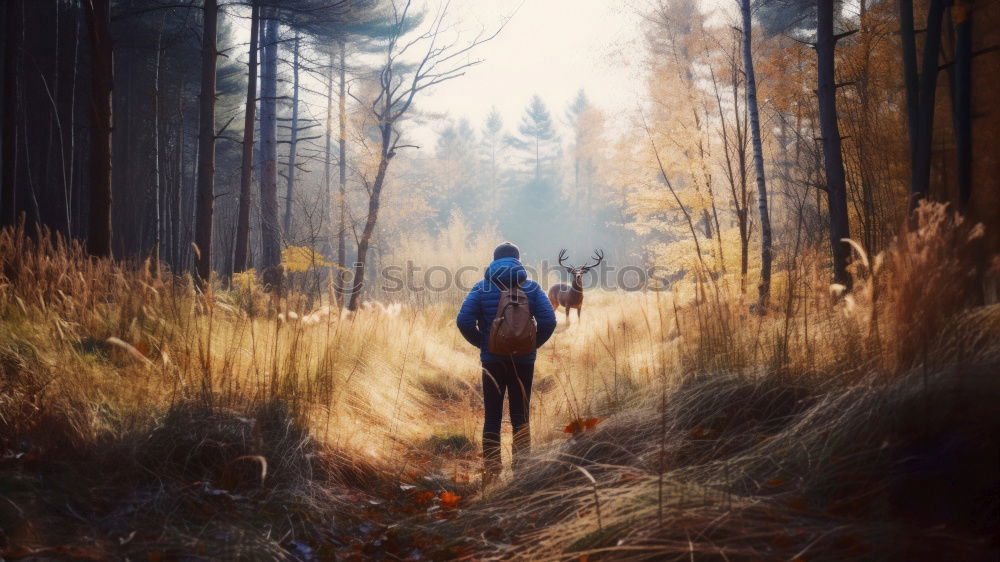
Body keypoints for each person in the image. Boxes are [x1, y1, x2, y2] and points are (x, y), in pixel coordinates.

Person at [456, 242, 557, 484]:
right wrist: (530, 345)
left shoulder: (481, 288)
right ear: (518, 260)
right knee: (520, 415)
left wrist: (484, 343)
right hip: (523, 361)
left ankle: (492, 472)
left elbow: (463, 321)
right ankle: (522, 472)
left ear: (494, 260)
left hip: (492, 360)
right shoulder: (531, 288)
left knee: (492, 415)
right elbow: (549, 321)